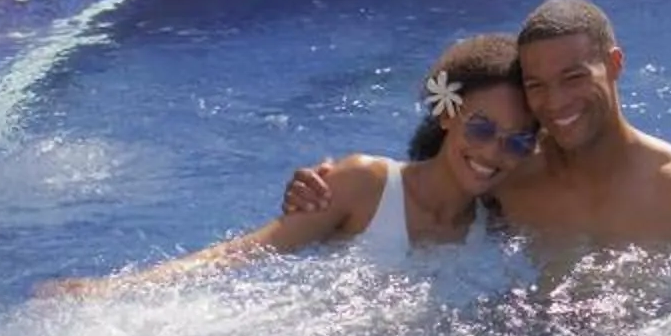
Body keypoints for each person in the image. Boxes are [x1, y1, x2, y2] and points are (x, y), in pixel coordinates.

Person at [284, 0, 671, 296]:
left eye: (573, 77)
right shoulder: (514, 170)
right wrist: (325, 190)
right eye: (537, 85)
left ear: (614, 65)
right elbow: (430, 179)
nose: (555, 102)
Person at [38, 33, 538, 298]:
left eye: (517, 140)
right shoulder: (364, 184)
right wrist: (114, 290)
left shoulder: (494, 223)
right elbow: (243, 254)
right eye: (481, 128)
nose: (494, 151)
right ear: (447, 115)